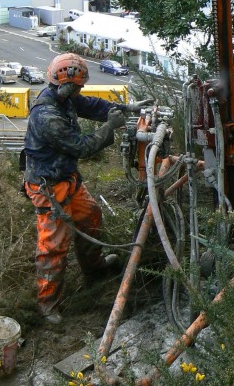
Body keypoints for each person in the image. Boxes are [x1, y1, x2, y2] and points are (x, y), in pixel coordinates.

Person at [22, 53, 152, 324]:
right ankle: (48, 305)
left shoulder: (64, 97)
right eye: (78, 87)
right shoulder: (47, 116)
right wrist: (110, 127)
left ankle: (94, 269)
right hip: (49, 188)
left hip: (65, 179)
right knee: (53, 247)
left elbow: (91, 105)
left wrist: (125, 109)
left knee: (91, 216)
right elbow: (83, 146)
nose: (80, 91)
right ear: (66, 84)